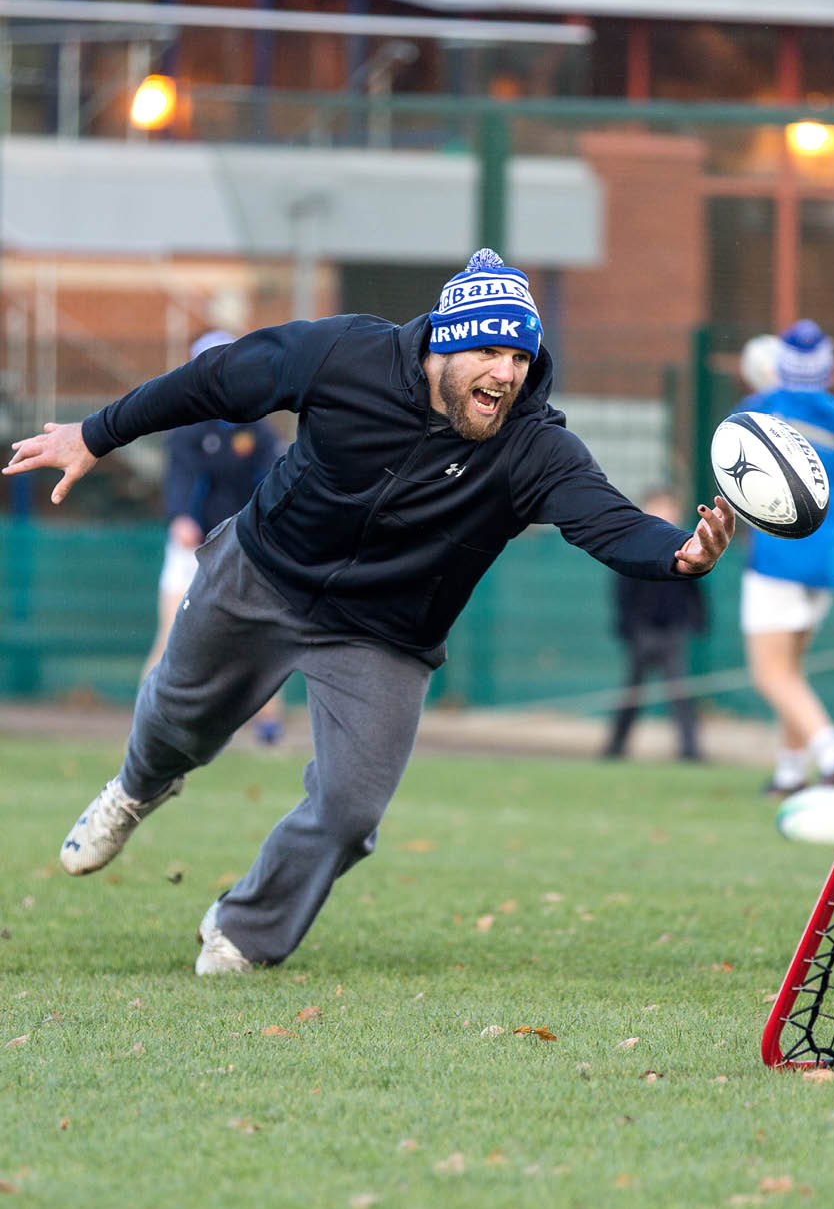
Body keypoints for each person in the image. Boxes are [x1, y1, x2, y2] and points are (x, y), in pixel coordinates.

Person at [5, 248, 736, 975]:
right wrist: (94, 434)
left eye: (520, 356)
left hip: (384, 634)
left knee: (350, 812)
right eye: (489, 349)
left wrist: (679, 554)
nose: (507, 374)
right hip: (261, 571)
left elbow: (603, 518)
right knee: (172, 720)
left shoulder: (534, 447)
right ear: (445, 344)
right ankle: (135, 790)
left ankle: (244, 929)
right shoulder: (340, 355)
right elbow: (214, 380)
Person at [735, 319, 834, 796]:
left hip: (776, 559)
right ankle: (791, 773)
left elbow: (734, 438)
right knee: (791, 674)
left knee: (770, 674)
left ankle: (832, 754)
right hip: (823, 563)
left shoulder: (761, 408)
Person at [142, 329, 287, 744]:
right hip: (190, 550)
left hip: (244, 549)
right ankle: (147, 726)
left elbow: (272, 477)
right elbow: (182, 481)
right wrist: (182, 517)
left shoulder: (256, 428)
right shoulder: (186, 427)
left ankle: (269, 729)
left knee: (259, 639)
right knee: (170, 638)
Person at [603, 487, 707, 762]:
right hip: (642, 632)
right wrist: (628, 627)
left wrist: (697, 620)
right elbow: (622, 590)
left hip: (673, 631)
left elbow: (694, 589)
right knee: (632, 694)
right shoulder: (634, 545)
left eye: (668, 508)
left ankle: (690, 750)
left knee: (681, 693)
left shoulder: (687, 547)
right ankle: (615, 747)